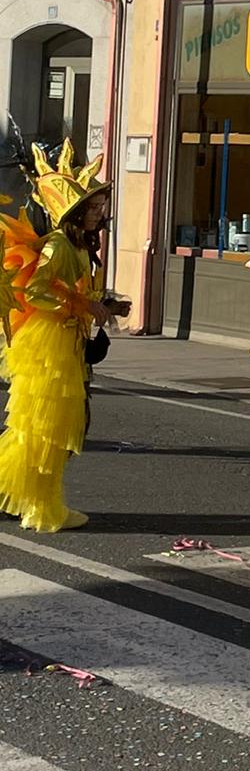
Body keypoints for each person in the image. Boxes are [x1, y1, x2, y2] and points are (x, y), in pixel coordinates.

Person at [0, 141, 128, 532]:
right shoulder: (58, 245)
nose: (98, 214)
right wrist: (80, 305)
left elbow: (69, 290)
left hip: (66, 342)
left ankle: (39, 502)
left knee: (48, 432)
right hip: (49, 346)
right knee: (43, 429)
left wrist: (104, 303)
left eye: (99, 208)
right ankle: (41, 508)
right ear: (74, 213)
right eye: (91, 208)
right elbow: (37, 292)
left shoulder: (76, 246)